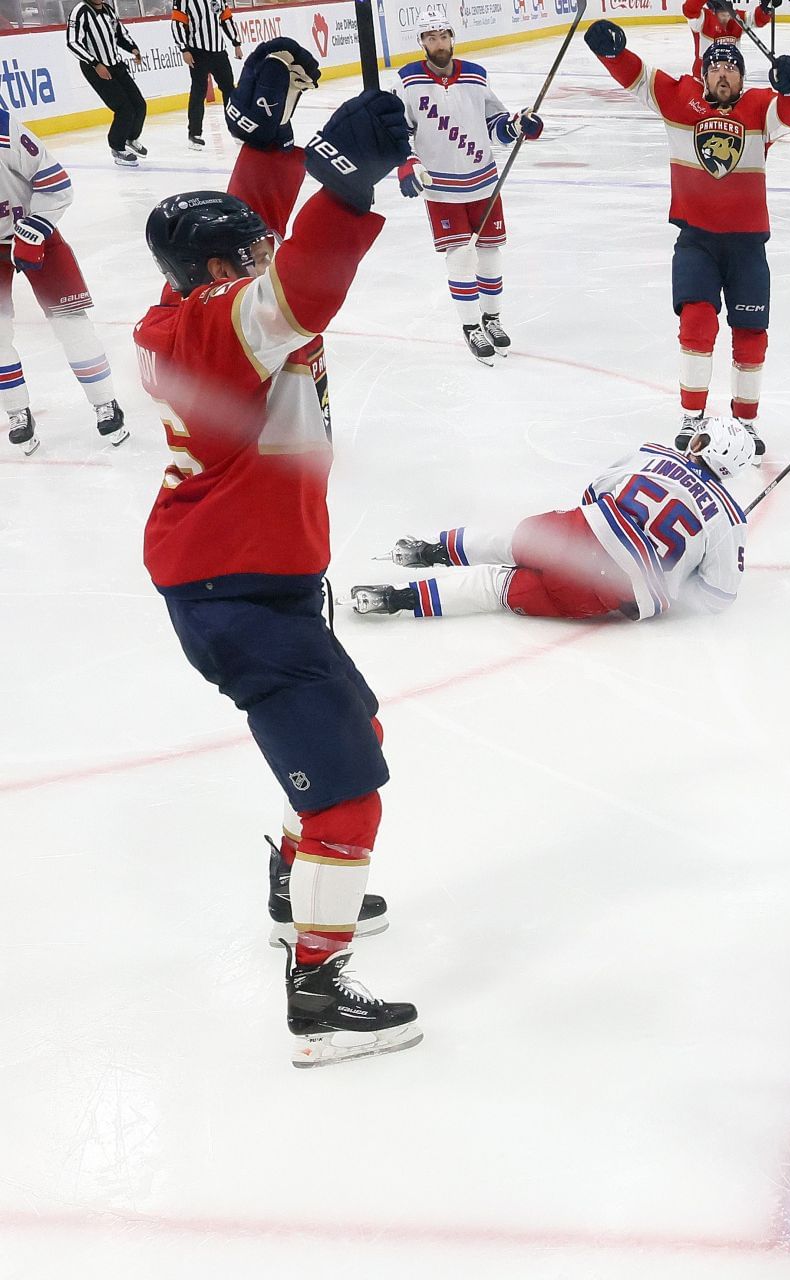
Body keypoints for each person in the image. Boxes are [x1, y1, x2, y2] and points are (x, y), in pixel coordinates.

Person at [138, 38, 420, 1068]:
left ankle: (296, 877)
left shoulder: (194, 309)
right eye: (245, 255)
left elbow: (254, 243)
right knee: (351, 793)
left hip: (246, 582)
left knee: (359, 729)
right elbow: (304, 283)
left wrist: (265, 145)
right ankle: (317, 986)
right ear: (220, 277)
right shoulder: (229, 326)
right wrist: (340, 189)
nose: (261, 256)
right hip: (240, 594)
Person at [584, 18, 790, 461]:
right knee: (696, 323)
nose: (724, 74)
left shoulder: (760, 108)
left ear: (743, 78)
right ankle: (692, 418)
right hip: (697, 241)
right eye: (716, 68)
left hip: (748, 245)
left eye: (732, 68)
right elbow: (636, 76)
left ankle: (746, 423)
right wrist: (610, 52)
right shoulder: (678, 99)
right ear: (704, 73)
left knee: (751, 333)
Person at [347, 418, 752, 621]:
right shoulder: (731, 519)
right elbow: (717, 598)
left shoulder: (654, 452)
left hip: (575, 535)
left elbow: (593, 492)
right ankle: (394, 599)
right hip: (608, 593)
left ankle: (426, 550)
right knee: (496, 587)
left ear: (701, 442)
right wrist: (686, 569)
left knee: (506, 541)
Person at [395, 4, 544, 365]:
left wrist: (519, 125)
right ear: (422, 43)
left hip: (483, 182)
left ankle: (492, 319)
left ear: (452, 38)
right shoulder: (407, 80)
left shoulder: (476, 75)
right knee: (460, 257)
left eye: (444, 36)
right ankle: (470, 326)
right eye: (431, 38)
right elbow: (400, 130)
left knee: (490, 255)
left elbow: (497, 123)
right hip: (441, 187)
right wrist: (407, 162)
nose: (439, 43)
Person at [1, 109, 127, 455]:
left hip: (35, 233)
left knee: (70, 322)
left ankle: (106, 403)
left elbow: (56, 185)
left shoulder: (5, 132)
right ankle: (16, 411)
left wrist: (33, 230)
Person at [65, 0, 146, 166]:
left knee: (139, 104)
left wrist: (133, 49)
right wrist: (95, 64)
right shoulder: (80, 12)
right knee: (124, 108)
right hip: (96, 68)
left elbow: (120, 34)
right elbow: (73, 43)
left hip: (116, 65)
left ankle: (130, 139)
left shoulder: (108, 10)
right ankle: (117, 148)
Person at [172, 0, 242, 150]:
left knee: (229, 90)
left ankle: (236, 130)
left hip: (219, 51)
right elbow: (177, 24)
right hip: (198, 51)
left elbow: (226, 19)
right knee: (199, 91)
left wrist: (236, 43)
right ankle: (194, 134)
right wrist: (184, 49)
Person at [682, 0, 772, 73]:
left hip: (732, 73)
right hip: (705, 74)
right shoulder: (703, 18)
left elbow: (757, 19)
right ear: (713, 11)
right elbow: (689, 10)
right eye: (723, 15)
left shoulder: (736, 17)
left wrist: (766, 9)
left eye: (728, 15)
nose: (726, 18)